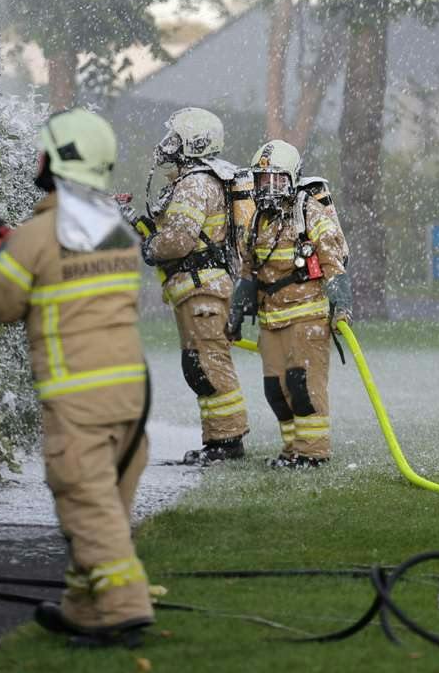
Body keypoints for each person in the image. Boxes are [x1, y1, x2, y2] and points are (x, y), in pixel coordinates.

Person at [0, 108, 154, 648]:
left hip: (76, 399)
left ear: (57, 162)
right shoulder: (117, 233)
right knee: (106, 507)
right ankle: (84, 606)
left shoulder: (33, 238)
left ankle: (123, 607)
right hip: (131, 396)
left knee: (84, 500)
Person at [232, 139, 350, 468]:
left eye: (276, 180)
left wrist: (340, 304)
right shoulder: (258, 221)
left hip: (306, 317)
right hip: (272, 320)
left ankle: (313, 453)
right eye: (262, 180)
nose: (268, 188)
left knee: (303, 388)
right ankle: (292, 450)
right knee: (276, 390)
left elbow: (332, 260)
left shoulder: (307, 212)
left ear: (293, 179)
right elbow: (247, 271)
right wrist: (236, 313)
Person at [142, 108, 249, 465]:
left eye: (174, 138)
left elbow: (179, 240)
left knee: (208, 363)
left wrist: (150, 247)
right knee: (199, 364)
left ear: (192, 142)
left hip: (203, 290)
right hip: (198, 288)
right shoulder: (200, 179)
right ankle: (218, 440)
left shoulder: (194, 183)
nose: (166, 145)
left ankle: (228, 442)